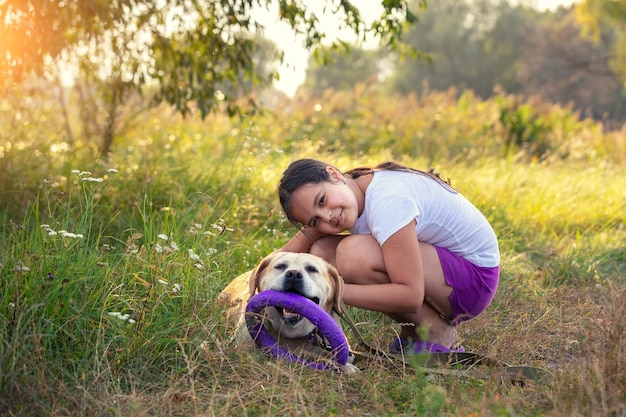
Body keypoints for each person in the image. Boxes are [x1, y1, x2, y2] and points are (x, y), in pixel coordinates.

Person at [277, 159, 500, 353]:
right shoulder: (352, 189)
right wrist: (263, 276)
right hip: (447, 271)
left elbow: (410, 295)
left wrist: (330, 290)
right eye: (316, 220)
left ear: (334, 175)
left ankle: (437, 333)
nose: (328, 217)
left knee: (352, 254)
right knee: (322, 252)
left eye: (322, 201)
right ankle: (414, 331)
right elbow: (294, 248)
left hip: (473, 281)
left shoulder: (387, 201)